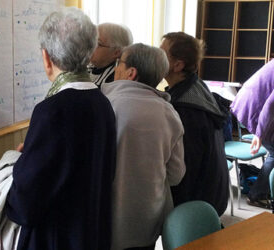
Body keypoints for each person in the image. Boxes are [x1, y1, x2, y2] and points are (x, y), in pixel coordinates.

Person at [4, 8, 117, 250]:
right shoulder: (102, 103)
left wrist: (22, 162)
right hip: (91, 232)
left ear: (46, 57)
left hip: (57, 239)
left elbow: (25, 203)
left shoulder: (52, 110)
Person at [102, 43, 186, 250]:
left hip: (103, 218)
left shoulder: (103, 106)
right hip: (147, 221)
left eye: (119, 63)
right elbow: (176, 175)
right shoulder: (169, 113)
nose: (115, 68)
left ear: (131, 73)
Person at [160, 32, 229, 216]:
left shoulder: (185, 109)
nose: (156, 57)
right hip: (212, 194)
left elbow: (186, 168)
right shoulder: (195, 87)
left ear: (178, 65)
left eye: (162, 53)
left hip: (198, 204)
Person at [231, 59, 274, 208]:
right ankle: (257, 195)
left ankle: (261, 185)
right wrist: (260, 134)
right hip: (255, 106)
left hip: (255, 102)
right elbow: (270, 106)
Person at [89, 23, 133, 88]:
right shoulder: (89, 66)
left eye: (98, 43)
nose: (91, 46)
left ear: (116, 52)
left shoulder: (115, 79)